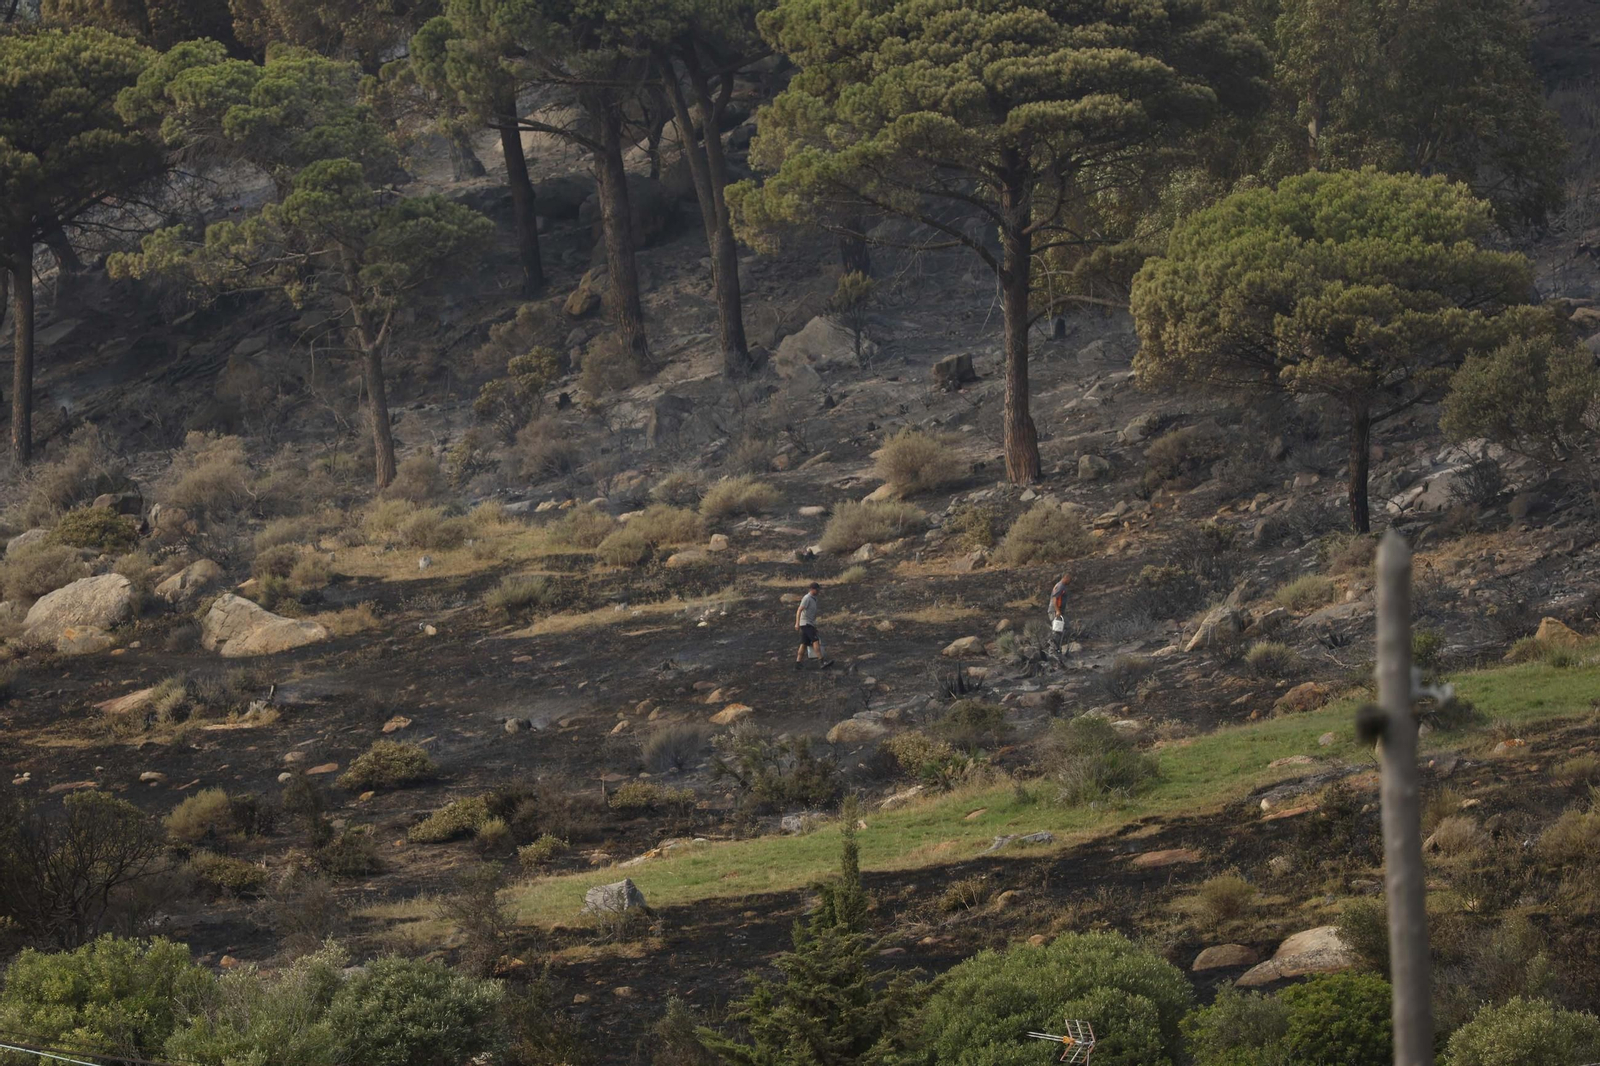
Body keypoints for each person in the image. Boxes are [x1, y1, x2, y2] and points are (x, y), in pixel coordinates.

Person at [794, 581, 833, 670]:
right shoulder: (807, 598)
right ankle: (821, 661)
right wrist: (797, 623)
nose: (818, 591)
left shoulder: (813, 599)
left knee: (804, 643)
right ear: (812, 589)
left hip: (808, 623)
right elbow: (799, 610)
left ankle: (798, 663)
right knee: (815, 641)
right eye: (817, 590)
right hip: (806, 623)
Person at [1047, 571, 1072, 654]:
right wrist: (1057, 610)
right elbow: (1054, 599)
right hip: (1055, 611)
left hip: (1060, 611)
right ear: (1065, 577)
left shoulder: (1062, 586)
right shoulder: (1060, 586)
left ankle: (1057, 648)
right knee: (1057, 630)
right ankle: (1052, 649)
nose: (1070, 580)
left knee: (1066, 628)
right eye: (1069, 578)